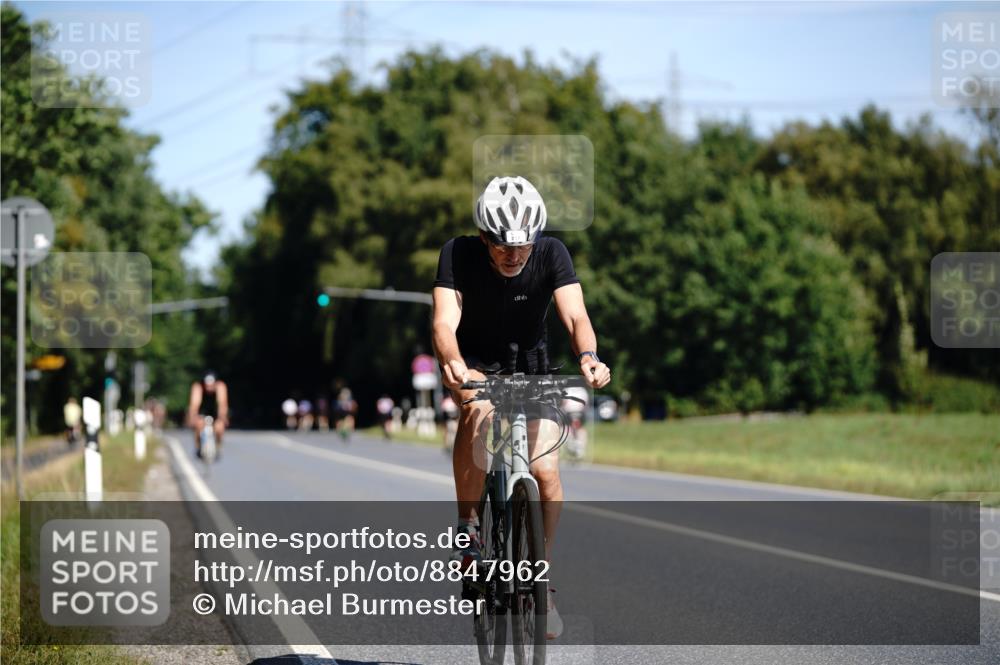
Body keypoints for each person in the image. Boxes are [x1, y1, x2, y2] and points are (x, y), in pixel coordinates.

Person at [432, 175, 611, 638]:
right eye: (502, 246)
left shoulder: (552, 254)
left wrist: (588, 357)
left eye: (523, 245)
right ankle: (468, 527)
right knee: (476, 412)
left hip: (534, 369)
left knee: (547, 473)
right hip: (474, 366)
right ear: (483, 237)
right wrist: (453, 363)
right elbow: (444, 321)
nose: (514, 255)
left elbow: (575, 315)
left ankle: (541, 583)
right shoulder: (456, 254)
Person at [187, 372, 229, 460]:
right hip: (202, 411)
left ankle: (218, 447)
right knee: (199, 425)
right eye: (207, 385)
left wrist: (222, 417)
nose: (209, 388)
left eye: (211, 385)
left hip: (215, 412)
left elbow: (222, 404)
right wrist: (192, 417)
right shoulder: (198, 387)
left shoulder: (220, 386)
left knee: (220, 428)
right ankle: (198, 447)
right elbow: (194, 404)